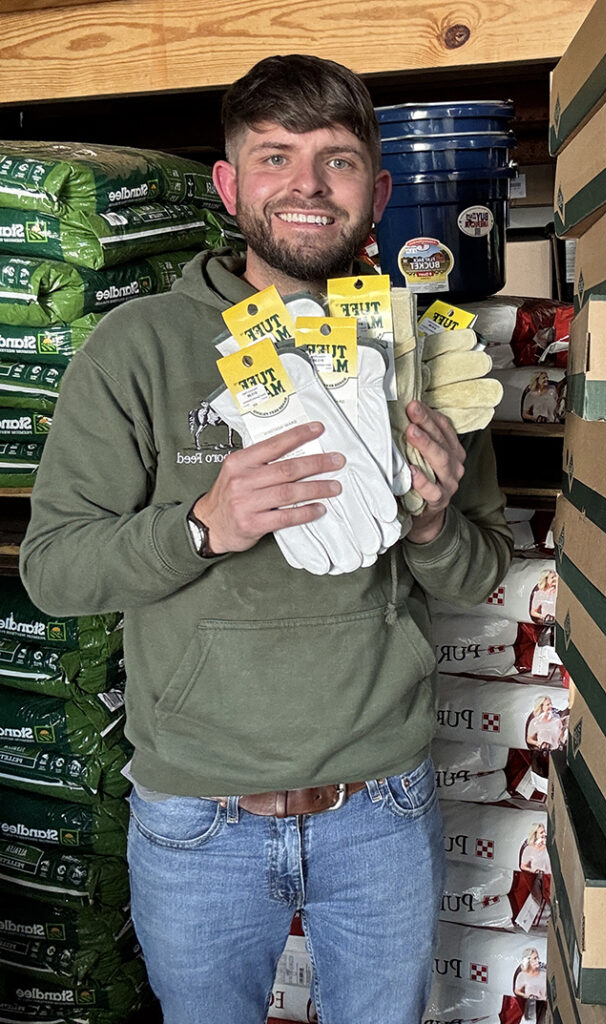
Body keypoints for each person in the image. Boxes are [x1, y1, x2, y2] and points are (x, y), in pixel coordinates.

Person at [19, 54, 512, 1024]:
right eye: (275, 156)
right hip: (199, 815)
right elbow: (53, 571)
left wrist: (430, 522)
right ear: (229, 184)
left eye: (336, 160)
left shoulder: (425, 350)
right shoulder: (139, 347)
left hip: (383, 806)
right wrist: (206, 525)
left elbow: (484, 567)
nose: (306, 185)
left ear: (379, 187)